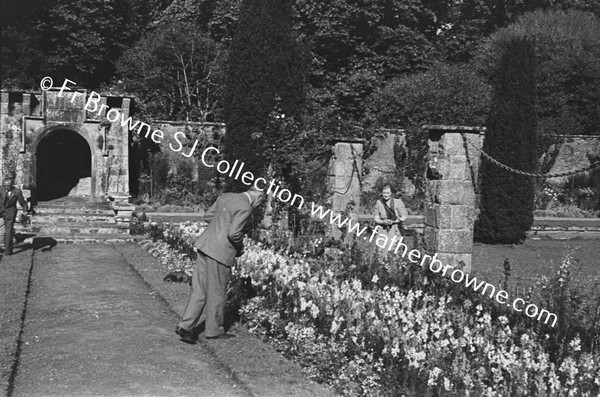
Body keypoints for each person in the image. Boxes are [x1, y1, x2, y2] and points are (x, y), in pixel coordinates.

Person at [176, 185, 265, 344]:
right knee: (217, 292)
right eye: (261, 202)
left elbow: (208, 216)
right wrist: (239, 247)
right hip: (220, 252)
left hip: (205, 245)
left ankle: (185, 326)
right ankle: (214, 330)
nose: (259, 205)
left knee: (199, 289)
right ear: (259, 196)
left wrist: (220, 226)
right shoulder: (245, 207)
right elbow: (233, 233)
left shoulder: (226, 196)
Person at [374, 184, 408, 260]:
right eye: (384, 193)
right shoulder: (379, 202)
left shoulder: (397, 201)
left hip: (395, 228)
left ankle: (393, 266)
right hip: (383, 228)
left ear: (391, 193)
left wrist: (395, 221)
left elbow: (404, 216)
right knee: (380, 248)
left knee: (392, 249)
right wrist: (383, 221)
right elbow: (376, 218)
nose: (385, 195)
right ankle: (381, 265)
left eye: (387, 193)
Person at [0, 177, 28, 256]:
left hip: (10, 213)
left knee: (8, 231)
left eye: (8, 186)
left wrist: (25, 211)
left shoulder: (17, 191)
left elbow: (23, 203)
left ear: (11, 185)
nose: (6, 187)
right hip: (0, 210)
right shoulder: (0, 189)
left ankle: (8, 251)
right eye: (5, 185)